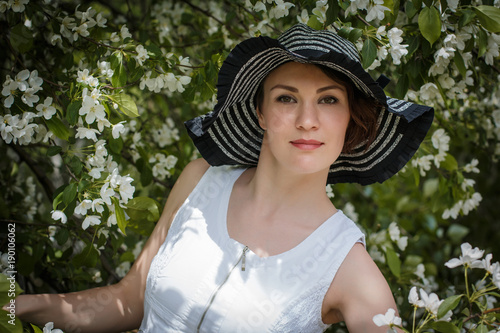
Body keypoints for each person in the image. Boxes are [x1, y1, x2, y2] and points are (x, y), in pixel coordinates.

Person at [14, 23, 433, 332]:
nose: (307, 121)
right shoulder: (201, 179)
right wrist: (19, 306)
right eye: (287, 98)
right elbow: (128, 300)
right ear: (261, 113)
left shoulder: (348, 267)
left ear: (351, 121)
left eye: (329, 100)